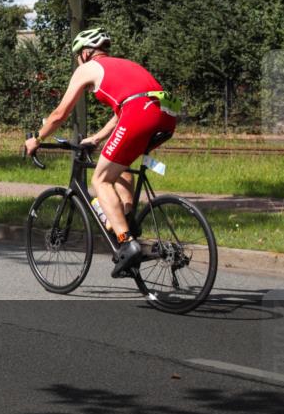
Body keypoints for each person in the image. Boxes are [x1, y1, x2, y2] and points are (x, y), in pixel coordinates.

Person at [23, 28, 178, 278]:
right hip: (167, 112)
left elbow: (59, 114)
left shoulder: (87, 68)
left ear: (85, 53)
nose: (77, 61)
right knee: (121, 168)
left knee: (100, 178)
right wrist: (96, 138)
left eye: (77, 56)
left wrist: (37, 139)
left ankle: (127, 244)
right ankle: (126, 218)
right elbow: (124, 111)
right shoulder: (125, 64)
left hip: (140, 111)